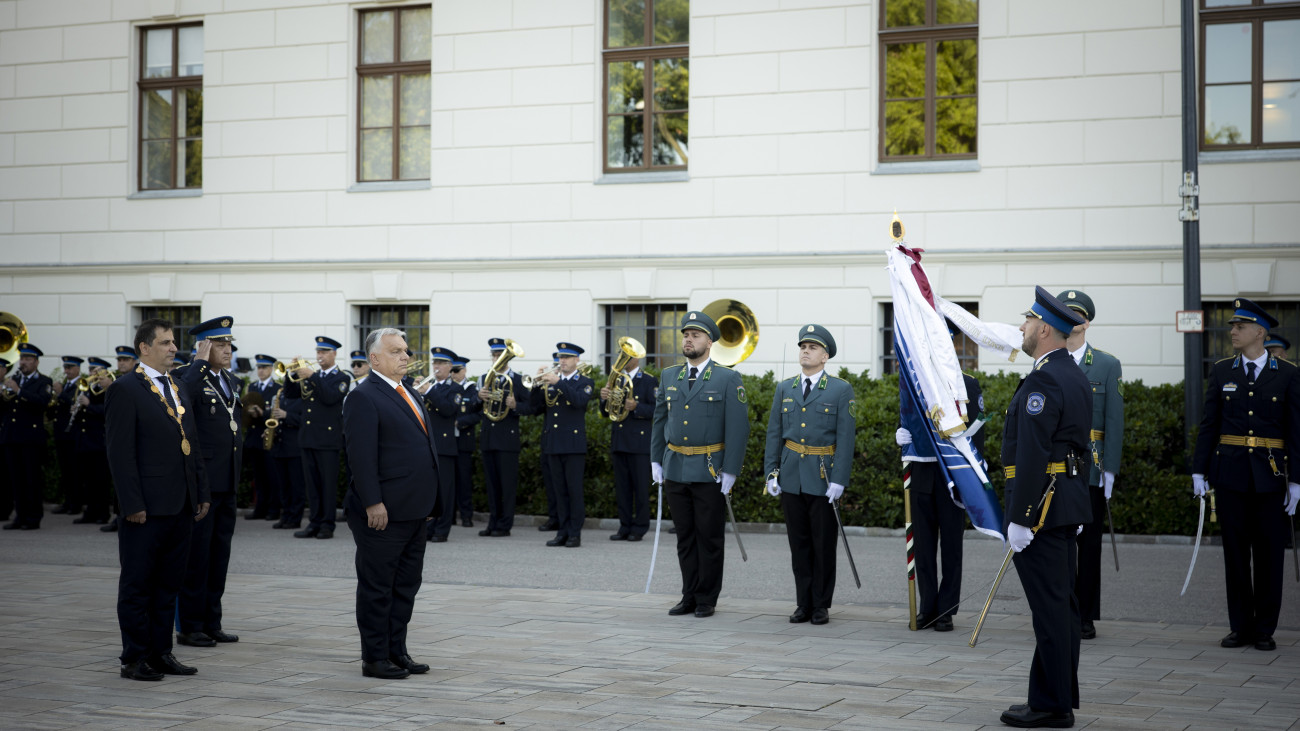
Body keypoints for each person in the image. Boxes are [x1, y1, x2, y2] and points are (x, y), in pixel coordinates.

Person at [998, 286, 1091, 729]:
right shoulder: (1073, 373)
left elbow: (1033, 453)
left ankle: (1052, 706)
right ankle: (1054, 697)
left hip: (1042, 510)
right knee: (1061, 607)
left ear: (1046, 330)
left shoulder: (1045, 378)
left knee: (1051, 610)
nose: (1022, 327)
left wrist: (1021, 518)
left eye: (1029, 321)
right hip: (1062, 504)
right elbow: (1079, 450)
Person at [1192, 299, 1300, 653]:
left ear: (1260, 332)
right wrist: (1199, 469)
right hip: (1231, 475)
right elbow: (1209, 424)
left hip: (1270, 477)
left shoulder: (1287, 374)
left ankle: (1265, 629)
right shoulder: (1223, 371)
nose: (1233, 332)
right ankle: (1240, 627)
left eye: (1240, 327)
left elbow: (1295, 431)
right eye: (1232, 326)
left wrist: (1296, 480)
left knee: (1269, 555)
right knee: (1235, 555)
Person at [106, 318, 210, 681]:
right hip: (146, 508)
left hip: (180, 504)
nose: (173, 348)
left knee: (168, 585)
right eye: (165, 342)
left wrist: (201, 492)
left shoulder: (177, 386)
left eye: (173, 342)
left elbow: (191, 443)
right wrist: (131, 504)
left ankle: (161, 652)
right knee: (138, 584)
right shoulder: (125, 389)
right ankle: (134, 657)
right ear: (144, 348)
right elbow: (120, 453)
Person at [343, 327, 438, 679]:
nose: (405, 356)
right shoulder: (364, 396)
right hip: (382, 511)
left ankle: (397, 651)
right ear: (375, 358)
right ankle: (374, 658)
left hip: (413, 509)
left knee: (405, 586)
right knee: (378, 588)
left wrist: (431, 501)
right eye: (396, 351)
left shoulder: (408, 391)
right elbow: (361, 456)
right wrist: (372, 502)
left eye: (406, 350)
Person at [651, 311, 751, 618]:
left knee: (709, 537)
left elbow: (738, 428)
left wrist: (731, 469)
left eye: (695, 336)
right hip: (676, 466)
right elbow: (660, 420)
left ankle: (707, 598)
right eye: (685, 335)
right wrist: (656, 459)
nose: (688, 340)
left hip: (710, 469)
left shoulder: (727, 378)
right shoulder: (670, 376)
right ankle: (689, 595)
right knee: (685, 537)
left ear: (709, 342)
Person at [763, 325, 856, 626]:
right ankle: (803, 602)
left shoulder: (840, 389)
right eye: (803, 346)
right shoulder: (785, 388)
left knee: (823, 543)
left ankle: (821, 604)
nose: (806, 351)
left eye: (813, 347)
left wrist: (839, 479)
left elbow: (846, 438)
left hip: (823, 476)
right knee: (799, 543)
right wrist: (771, 473)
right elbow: (775, 434)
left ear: (825, 356)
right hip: (791, 475)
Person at [1054, 289, 1125, 642]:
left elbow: (1114, 420)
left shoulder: (1107, 365)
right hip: (1057, 465)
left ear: (1086, 322)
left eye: (1077, 315)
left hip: (1091, 466)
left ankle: (1085, 615)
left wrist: (1110, 469)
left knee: (1090, 545)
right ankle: (1062, 610)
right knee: (1059, 543)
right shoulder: (1049, 362)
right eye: (1065, 314)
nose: (1072, 321)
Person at [896, 360, 985, 633]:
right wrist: (900, 435)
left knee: (951, 546)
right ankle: (927, 607)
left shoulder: (966, 382)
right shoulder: (914, 381)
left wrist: (974, 473)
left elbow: (977, 429)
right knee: (922, 546)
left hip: (953, 475)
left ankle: (946, 610)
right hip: (921, 472)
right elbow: (909, 417)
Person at [174, 317, 244, 649]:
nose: (228, 350)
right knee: (197, 557)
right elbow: (180, 402)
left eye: (229, 344)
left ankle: (211, 622)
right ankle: (190, 625)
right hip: (203, 482)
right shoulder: (186, 377)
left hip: (227, 480)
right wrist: (198, 365)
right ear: (203, 347)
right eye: (219, 344)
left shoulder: (230, 379)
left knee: (219, 556)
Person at [531, 342, 594, 547]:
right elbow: (535, 408)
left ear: (577, 360)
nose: (562, 361)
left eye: (567, 357)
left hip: (573, 445)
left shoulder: (584, 382)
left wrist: (558, 382)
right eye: (560, 357)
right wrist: (536, 385)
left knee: (574, 491)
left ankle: (574, 533)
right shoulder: (550, 383)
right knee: (559, 491)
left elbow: (579, 401)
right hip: (554, 443)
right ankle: (562, 532)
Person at [290, 336, 350, 540]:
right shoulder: (311, 376)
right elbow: (291, 394)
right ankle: (314, 522)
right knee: (312, 485)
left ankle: (327, 524)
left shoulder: (342, 378)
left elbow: (330, 397)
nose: (319, 356)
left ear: (334, 354)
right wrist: (293, 373)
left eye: (324, 352)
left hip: (327, 440)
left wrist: (313, 376)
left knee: (327, 485)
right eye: (318, 352)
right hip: (308, 437)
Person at [601, 350, 656, 541]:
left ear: (637, 358)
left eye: (627, 356)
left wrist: (637, 407)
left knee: (640, 489)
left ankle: (639, 528)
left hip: (639, 444)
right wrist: (604, 398)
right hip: (619, 441)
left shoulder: (648, 380)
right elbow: (606, 412)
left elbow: (657, 409)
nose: (622, 359)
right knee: (622, 489)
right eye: (621, 355)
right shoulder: (616, 379)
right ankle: (624, 526)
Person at [477, 338, 528, 537]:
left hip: (507, 440)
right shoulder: (484, 378)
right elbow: (473, 408)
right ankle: (492, 523)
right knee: (492, 485)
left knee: (507, 485)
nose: (497, 359)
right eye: (495, 355)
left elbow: (531, 407)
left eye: (501, 355)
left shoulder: (518, 380)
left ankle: (505, 525)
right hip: (488, 438)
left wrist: (516, 406)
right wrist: (478, 398)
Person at [4, 343, 53, 530]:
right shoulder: (15, 379)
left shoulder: (44, 381)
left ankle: (33, 518)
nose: (23, 362)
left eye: (27, 359)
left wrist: (19, 391)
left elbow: (42, 402)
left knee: (31, 479)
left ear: (36, 362)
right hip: (12, 437)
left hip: (31, 439)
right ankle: (20, 516)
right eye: (22, 359)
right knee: (16, 480)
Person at [419, 346, 462, 543]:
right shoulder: (428, 386)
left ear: (450, 366)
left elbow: (447, 409)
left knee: (445, 490)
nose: (436, 366)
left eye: (441, 363)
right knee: (429, 489)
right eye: (434, 362)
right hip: (425, 445)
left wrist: (429, 391)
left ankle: (442, 529)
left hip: (444, 446)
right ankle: (428, 527)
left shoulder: (455, 389)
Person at [72, 357, 114, 526]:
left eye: (96, 370)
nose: (92, 373)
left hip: (99, 440)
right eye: (91, 370)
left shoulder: (108, 389)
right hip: (86, 440)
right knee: (88, 480)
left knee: (101, 480)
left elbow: (108, 411)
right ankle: (89, 512)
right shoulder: (86, 388)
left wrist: (89, 405)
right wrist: (76, 408)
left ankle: (102, 513)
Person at [243, 354, 282, 522]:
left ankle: (273, 509)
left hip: (268, 436)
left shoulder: (277, 388)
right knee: (258, 477)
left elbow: (275, 413)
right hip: (254, 437)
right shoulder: (252, 386)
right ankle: (260, 508)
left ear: (271, 369)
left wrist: (262, 413)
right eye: (259, 367)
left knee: (272, 476)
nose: (261, 371)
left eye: (264, 367)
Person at [51, 355, 85, 517]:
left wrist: (60, 393)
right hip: (61, 434)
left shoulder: (81, 385)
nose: (67, 371)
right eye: (65, 368)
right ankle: (67, 501)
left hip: (73, 435)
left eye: (70, 368)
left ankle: (75, 503)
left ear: (78, 368)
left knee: (74, 471)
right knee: (65, 470)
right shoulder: (65, 385)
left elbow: (75, 402)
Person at [451, 354, 478, 529]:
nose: (453, 374)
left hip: (463, 440)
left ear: (464, 370)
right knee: (449, 481)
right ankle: (450, 515)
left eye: (457, 370)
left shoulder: (471, 389)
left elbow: (478, 413)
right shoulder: (447, 388)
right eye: (452, 371)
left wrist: (460, 422)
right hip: (448, 441)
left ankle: (466, 515)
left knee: (464, 481)